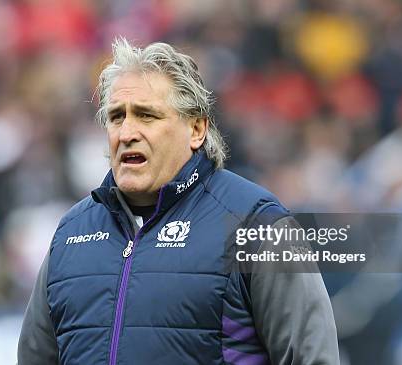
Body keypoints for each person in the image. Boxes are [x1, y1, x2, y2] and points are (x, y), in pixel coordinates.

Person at [17, 37, 339, 365]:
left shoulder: (258, 225)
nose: (126, 132)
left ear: (196, 128)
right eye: (116, 117)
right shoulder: (72, 233)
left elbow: (313, 357)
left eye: (146, 116)